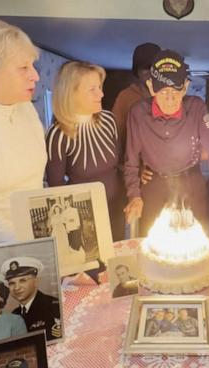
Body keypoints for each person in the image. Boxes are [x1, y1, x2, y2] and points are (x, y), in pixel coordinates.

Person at [124, 49, 209, 236]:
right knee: (150, 241)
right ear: (151, 87)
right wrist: (134, 195)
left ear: (185, 86)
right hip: (154, 184)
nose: (169, 99)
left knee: (199, 239)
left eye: (175, 91)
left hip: (191, 182)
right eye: (163, 91)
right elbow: (131, 161)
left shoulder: (198, 108)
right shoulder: (137, 113)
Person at [0, 18, 46, 245]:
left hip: (37, 235)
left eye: (33, 66)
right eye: (23, 68)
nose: (35, 76)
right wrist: (33, 243)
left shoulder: (26, 108)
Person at [45, 61, 125, 241]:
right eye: (92, 89)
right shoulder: (58, 134)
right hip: (84, 218)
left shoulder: (108, 120)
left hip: (115, 208)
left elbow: (120, 164)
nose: (101, 94)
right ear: (71, 93)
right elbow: (55, 189)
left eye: (100, 87)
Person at [112, 42, 161, 156]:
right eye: (145, 68)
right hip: (134, 164)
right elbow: (116, 134)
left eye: (154, 68)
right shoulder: (126, 97)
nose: (151, 72)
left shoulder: (169, 95)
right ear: (137, 71)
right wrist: (123, 165)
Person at [0, 257, 62, 342]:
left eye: (22, 281)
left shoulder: (52, 306)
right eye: (12, 283)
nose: (17, 288)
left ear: (35, 281)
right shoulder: (15, 313)